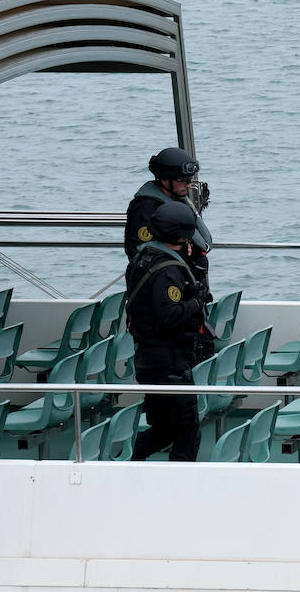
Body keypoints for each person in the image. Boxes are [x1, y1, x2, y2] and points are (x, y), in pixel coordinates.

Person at [126, 202, 211, 461]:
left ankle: (128, 468)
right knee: (187, 432)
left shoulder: (143, 257)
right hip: (168, 363)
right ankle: (178, 489)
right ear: (182, 236)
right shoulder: (168, 271)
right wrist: (195, 302)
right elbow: (168, 316)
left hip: (151, 359)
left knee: (163, 430)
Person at [125, 147, 213, 286]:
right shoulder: (145, 208)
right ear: (165, 179)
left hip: (187, 280)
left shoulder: (176, 198)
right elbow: (139, 251)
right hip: (166, 283)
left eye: (189, 179)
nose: (189, 185)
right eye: (183, 180)